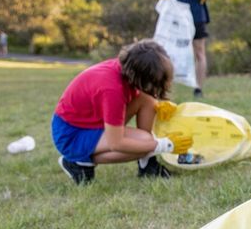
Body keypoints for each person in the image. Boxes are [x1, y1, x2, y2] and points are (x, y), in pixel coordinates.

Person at [51, 39, 194, 184]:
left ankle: (147, 165)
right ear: (141, 77)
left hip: (90, 122)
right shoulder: (112, 90)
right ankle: (77, 163)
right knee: (145, 142)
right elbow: (116, 143)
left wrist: (158, 104)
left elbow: (143, 95)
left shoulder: (128, 67)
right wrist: (163, 145)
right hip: (72, 135)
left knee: (148, 100)